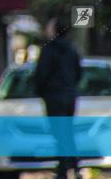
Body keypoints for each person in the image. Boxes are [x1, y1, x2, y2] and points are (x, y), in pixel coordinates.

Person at [33, 11, 82, 179]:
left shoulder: (48, 50)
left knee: (59, 133)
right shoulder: (72, 49)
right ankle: (73, 167)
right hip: (70, 96)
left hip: (53, 97)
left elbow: (41, 74)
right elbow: (78, 72)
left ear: (54, 29)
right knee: (67, 131)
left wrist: (40, 91)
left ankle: (64, 169)